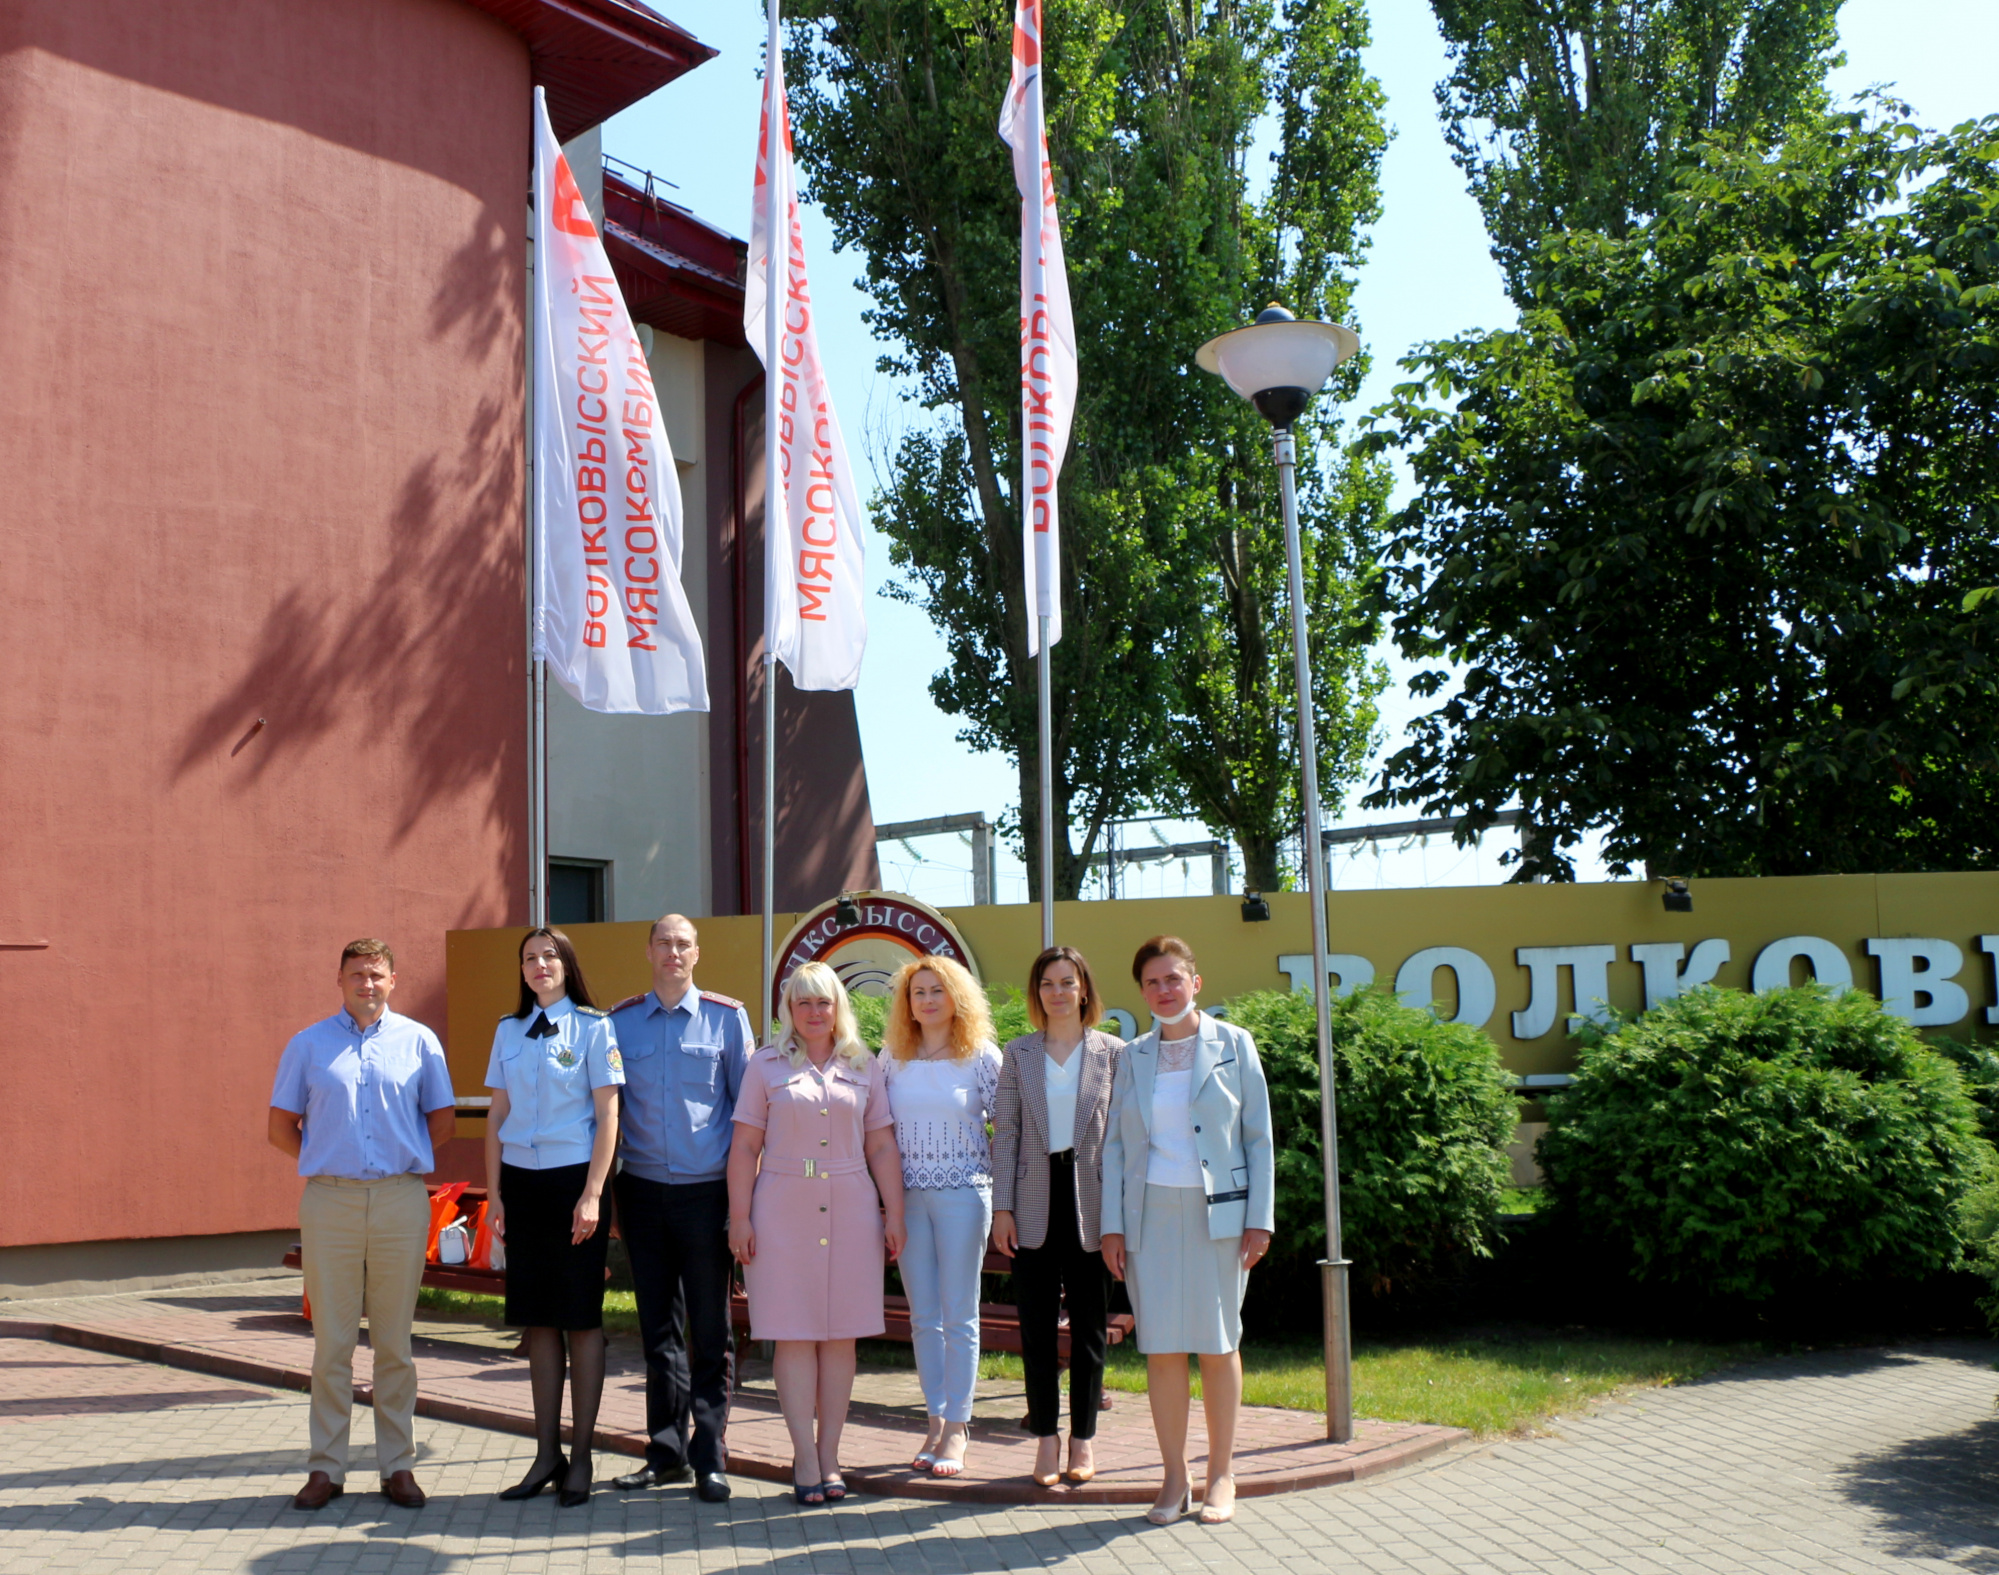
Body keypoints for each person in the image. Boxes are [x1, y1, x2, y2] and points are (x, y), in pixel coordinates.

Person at [267, 938, 456, 1512]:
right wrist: (331, 1156)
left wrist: (397, 1161)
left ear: (393, 980)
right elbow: (280, 1128)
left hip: (400, 1200)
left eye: (376, 974)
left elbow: (441, 1123)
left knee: (395, 1343)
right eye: (356, 974)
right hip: (331, 1202)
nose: (366, 984)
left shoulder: (420, 1042)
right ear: (340, 979)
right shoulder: (308, 1044)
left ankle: (398, 1465)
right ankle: (326, 1468)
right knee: (332, 1344)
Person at [1101, 935, 1274, 1526]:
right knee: (1162, 1350)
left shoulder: (1235, 1044)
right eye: (1152, 982)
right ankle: (1175, 1476)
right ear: (1142, 992)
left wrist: (1259, 1218)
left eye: (1173, 978)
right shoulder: (1133, 1056)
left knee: (1219, 1344)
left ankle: (1223, 1473)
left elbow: (1258, 1138)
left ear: (1195, 982)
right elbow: (1116, 1147)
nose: (1163, 990)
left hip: (1219, 1217)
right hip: (1149, 1217)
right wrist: (1112, 1228)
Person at [727, 962, 906, 1506]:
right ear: (788, 1011)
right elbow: (743, 1149)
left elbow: (880, 1147)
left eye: (822, 1002)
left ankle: (831, 1457)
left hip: (851, 1209)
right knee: (795, 1334)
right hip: (782, 1211)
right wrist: (740, 1217)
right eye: (802, 1003)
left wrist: (893, 1213)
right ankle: (804, 1456)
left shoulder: (864, 1065)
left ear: (838, 1007)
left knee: (840, 1338)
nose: (813, 1012)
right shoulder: (765, 1066)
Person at [608, 914, 755, 1504]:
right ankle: (664, 1451)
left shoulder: (726, 1017)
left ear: (698, 953)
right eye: (663, 942)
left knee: (711, 1331)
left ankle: (710, 1457)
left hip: (707, 1193)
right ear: (648, 951)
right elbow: (607, 1111)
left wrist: (744, 1203)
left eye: (683, 944)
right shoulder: (619, 1023)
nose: (673, 952)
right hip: (641, 1193)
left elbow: (749, 1116)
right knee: (657, 1331)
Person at [484, 926, 624, 1507]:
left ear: (566, 966)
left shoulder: (594, 1027)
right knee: (538, 1319)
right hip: (522, 1185)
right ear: (521, 971)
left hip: (574, 1185)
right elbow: (496, 1115)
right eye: (529, 958)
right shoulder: (507, 1031)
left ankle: (583, 1456)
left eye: (548, 956)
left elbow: (608, 1115)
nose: (539, 965)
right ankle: (546, 1453)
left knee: (581, 1318)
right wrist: (494, 1195)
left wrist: (593, 1193)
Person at [990, 945, 1124, 1487]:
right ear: (1037, 991)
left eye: (1067, 982)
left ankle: (1083, 1440)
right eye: (1048, 982)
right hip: (1031, 1205)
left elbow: (1122, 1141)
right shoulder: (1018, 1053)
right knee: (1037, 1331)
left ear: (1084, 989)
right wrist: (1002, 1207)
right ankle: (1045, 1439)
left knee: (1090, 1331)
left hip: (1092, 1206)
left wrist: (1118, 1217)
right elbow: (1005, 1138)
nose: (1058, 992)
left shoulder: (1115, 1053)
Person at [879, 955, 1001, 1479]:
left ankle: (958, 1427)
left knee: (960, 1316)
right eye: (917, 992)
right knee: (923, 1317)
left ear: (958, 998)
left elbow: (1009, 1131)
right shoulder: (890, 1058)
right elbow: (876, 1134)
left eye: (937, 990)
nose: (927, 1000)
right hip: (908, 1199)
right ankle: (934, 1420)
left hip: (964, 1196)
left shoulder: (982, 1057)